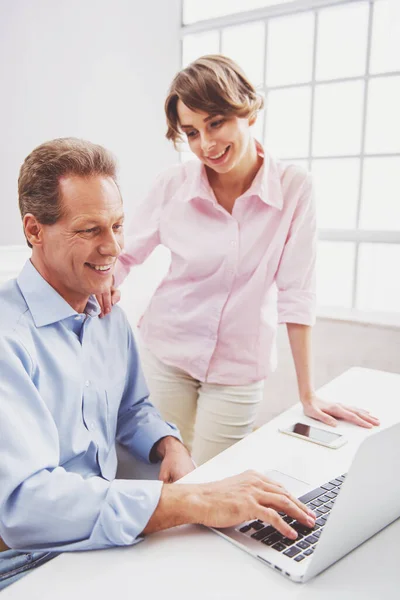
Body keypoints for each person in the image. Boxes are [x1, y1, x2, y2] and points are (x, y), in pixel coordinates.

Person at [0, 137, 316, 591]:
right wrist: (184, 502)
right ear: (34, 231)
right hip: (31, 562)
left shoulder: (106, 315)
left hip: (106, 541)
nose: (112, 248)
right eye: (90, 230)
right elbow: (25, 507)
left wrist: (167, 443)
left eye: (118, 225)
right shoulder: (8, 340)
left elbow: (132, 409)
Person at [98, 55, 379, 466]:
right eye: (191, 133)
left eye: (216, 123)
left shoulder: (294, 188)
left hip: (238, 368)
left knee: (213, 480)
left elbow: (297, 291)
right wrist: (95, 300)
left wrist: (307, 392)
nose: (206, 144)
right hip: (167, 351)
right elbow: (124, 256)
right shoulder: (172, 185)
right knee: (158, 474)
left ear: (246, 110)